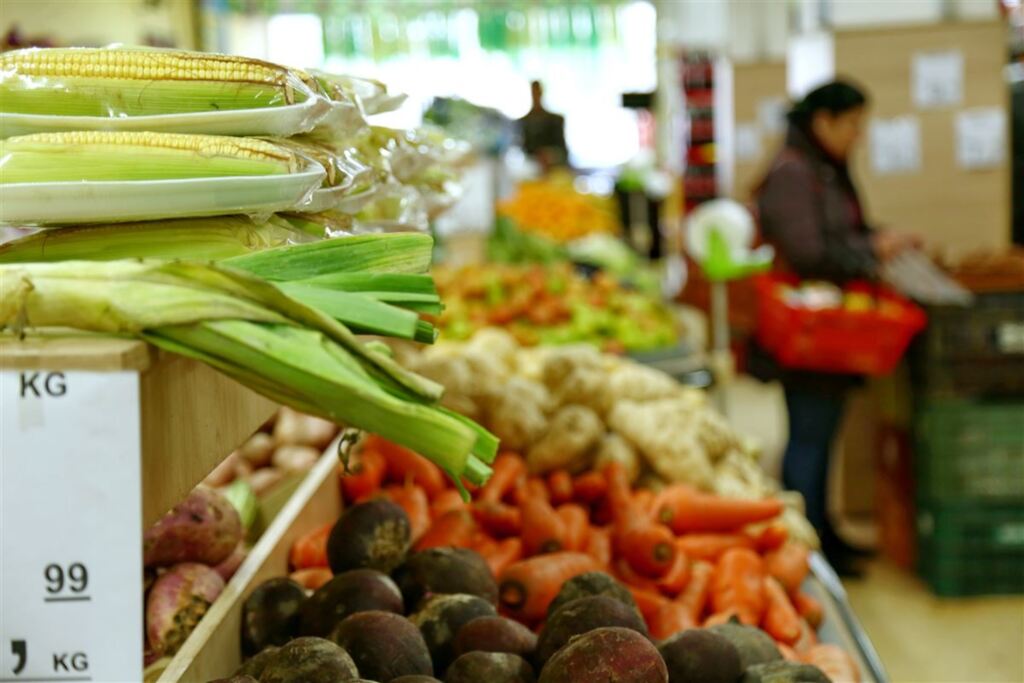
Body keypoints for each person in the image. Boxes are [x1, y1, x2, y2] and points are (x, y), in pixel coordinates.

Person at [754, 80, 918, 574]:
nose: (858, 136)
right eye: (852, 125)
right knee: (808, 435)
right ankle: (805, 548)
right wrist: (872, 251)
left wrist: (876, 237)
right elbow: (809, 252)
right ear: (823, 121)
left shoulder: (822, 169)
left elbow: (838, 234)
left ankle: (823, 535)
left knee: (821, 434)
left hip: (827, 332)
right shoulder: (793, 173)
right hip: (807, 331)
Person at [519, 80, 568, 170]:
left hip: (554, 171)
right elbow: (521, 150)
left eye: (537, 92)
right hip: (530, 170)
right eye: (533, 92)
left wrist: (550, 155)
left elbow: (563, 151)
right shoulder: (522, 122)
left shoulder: (556, 120)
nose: (535, 95)